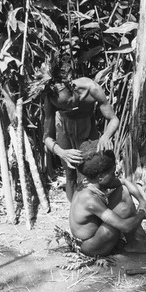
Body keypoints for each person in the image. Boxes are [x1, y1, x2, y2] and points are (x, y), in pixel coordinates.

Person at [43, 57, 119, 202]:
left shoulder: (92, 89)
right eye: (62, 107)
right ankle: (75, 212)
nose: (69, 108)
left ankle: (93, 209)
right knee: (70, 172)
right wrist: (62, 152)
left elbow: (114, 119)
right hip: (64, 127)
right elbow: (46, 136)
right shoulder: (50, 98)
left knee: (91, 171)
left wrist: (105, 136)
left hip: (87, 125)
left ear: (73, 88)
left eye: (69, 102)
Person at [69, 141, 146, 257]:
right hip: (90, 246)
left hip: (97, 234)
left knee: (123, 190)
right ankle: (132, 244)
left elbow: (124, 182)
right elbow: (125, 226)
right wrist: (142, 212)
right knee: (123, 210)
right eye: (112, 173)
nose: (115, 174)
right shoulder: (90, 200)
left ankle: (140, 236)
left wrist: (142, 201)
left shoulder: (92, 181)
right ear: (101, 177)